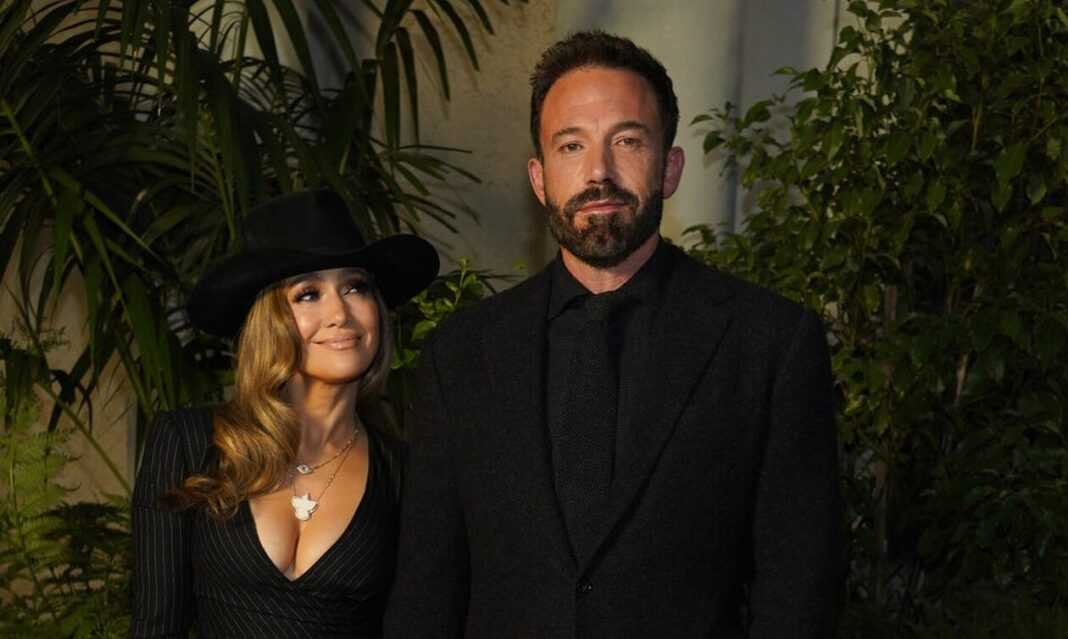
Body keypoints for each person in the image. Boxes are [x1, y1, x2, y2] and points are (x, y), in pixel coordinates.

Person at [385, 31, 842, 638]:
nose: (598, 172)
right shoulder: (462, 354)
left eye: (627, 141)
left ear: (670, 168)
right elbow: (426, 592)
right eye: (571, 145)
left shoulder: (769, 344)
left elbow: (799, 591)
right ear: (539, 178)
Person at [131, 189, 438, 638]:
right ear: (268, 321)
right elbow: (155, 626)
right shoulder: (187, 442)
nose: (340, 313)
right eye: (309, 294)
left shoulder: (406, 475)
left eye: (356, 287)